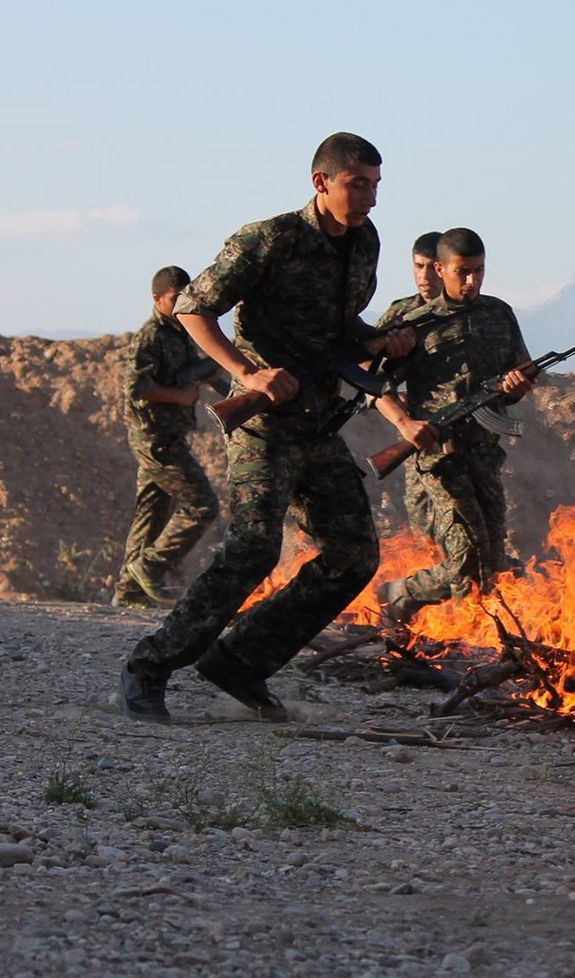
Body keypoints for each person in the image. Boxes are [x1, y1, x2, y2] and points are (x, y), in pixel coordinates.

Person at [118, 132, 415, 723]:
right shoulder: (269, 238)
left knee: (353, 558)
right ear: (321, 182)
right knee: (255, 546)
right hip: (264, 426)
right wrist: (247, 374)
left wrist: (380, 341)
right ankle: (149, 666)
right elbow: (193, 308)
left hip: (318, 419)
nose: (370, 200)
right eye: (358, 184)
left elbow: (338, 319)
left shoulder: (366, 241)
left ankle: (242, 661)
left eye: (377, 186)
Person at [373, 228, 534, 626]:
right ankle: (460, 626)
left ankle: (406, 596)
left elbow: (520, 372)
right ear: (441, 269)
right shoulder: (413, 324)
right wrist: (405, 423)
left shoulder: (498, 313)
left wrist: (517, 384)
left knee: (492, 557)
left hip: (485, 451)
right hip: (440, 456)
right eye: (462, 272)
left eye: (478, 271)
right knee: (466, 554)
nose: (471, 281)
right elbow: (374, 384)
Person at [112, 266, 222, 608]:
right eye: (174, 298)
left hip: (168, 436)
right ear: (157, 299)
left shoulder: (181, 330)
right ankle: (148, 567)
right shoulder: (151, 336)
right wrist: (180, 397)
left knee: (152, 513)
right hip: (155, 439)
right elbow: (136, 387)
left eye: (184, 297)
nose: (179, 304)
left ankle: (128, 593)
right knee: (203, 506)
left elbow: (191, 374)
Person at [375, 230, 444, 541]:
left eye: (433, 266)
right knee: (425, 531)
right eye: (418, 266)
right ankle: (408, 589)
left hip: (465, 437)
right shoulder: (400, 315)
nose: (425, 276)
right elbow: (367, 373)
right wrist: (396, 406)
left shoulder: (472, 313)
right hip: (417, 434)